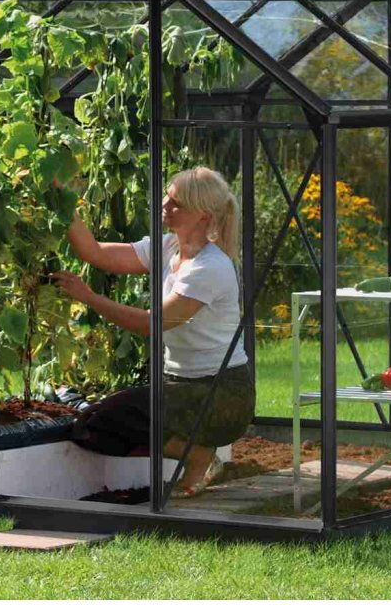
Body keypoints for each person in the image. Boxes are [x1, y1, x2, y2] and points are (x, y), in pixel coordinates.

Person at [51, 166, 255, 497]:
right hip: (181, 387)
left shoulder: (210, 267)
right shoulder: (169, 247)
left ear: (203, 215)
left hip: (220, 395)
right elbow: (94, 252)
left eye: (176, 203)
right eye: (167, 197)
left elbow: (152, 324)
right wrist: (58, 193)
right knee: (94, 428)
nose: (164, 205)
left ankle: (198, 456)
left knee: (102, 421)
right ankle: (197, 454)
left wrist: (89, 297)